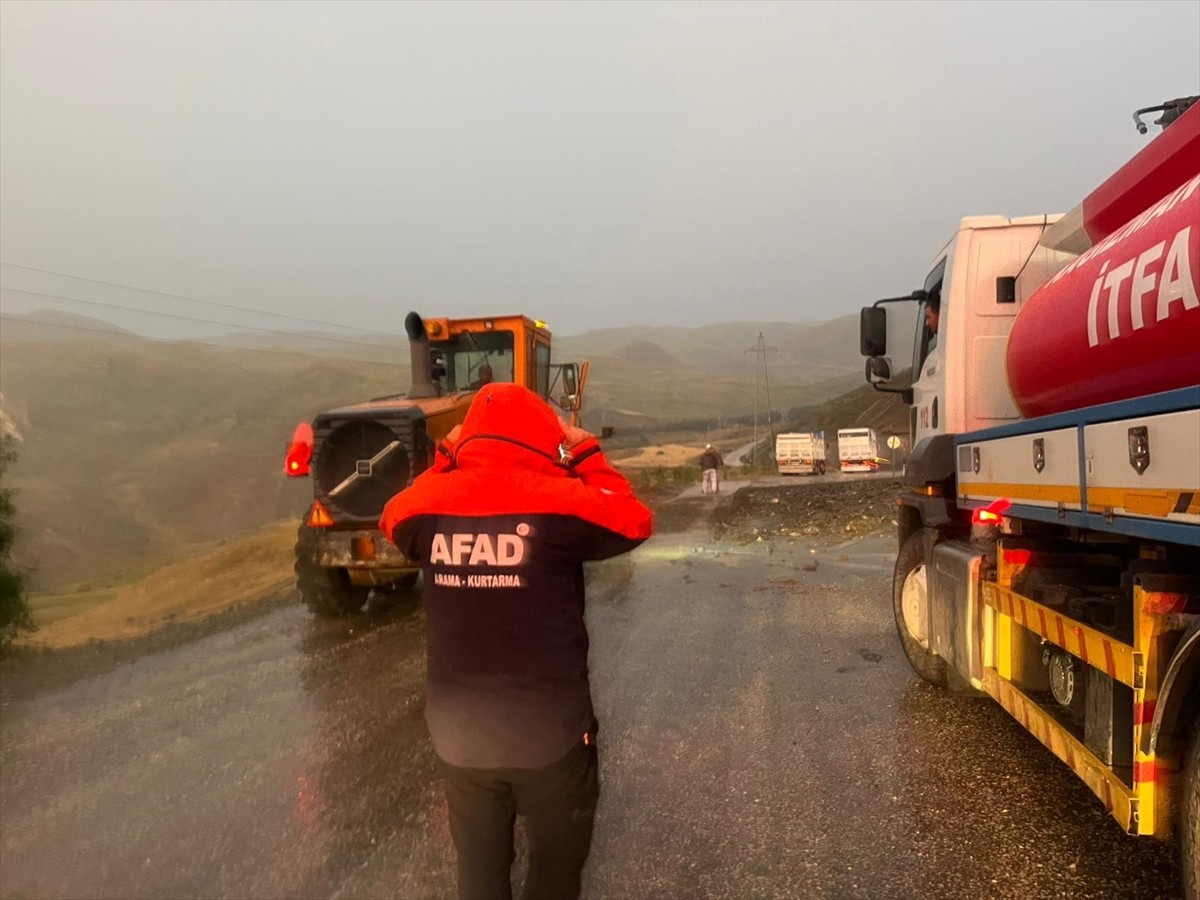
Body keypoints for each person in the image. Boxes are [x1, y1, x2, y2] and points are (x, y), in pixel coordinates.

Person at [379, 383, 652, 900]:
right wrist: (585, 451)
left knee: (479, 876)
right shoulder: (560, 504)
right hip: (551, 737)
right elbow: (632, 516)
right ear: (542, 438)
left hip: (461, 740)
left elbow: (394, 512)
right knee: (554, 873)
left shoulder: (425, 509)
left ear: (471, 438)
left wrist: (447, 455)